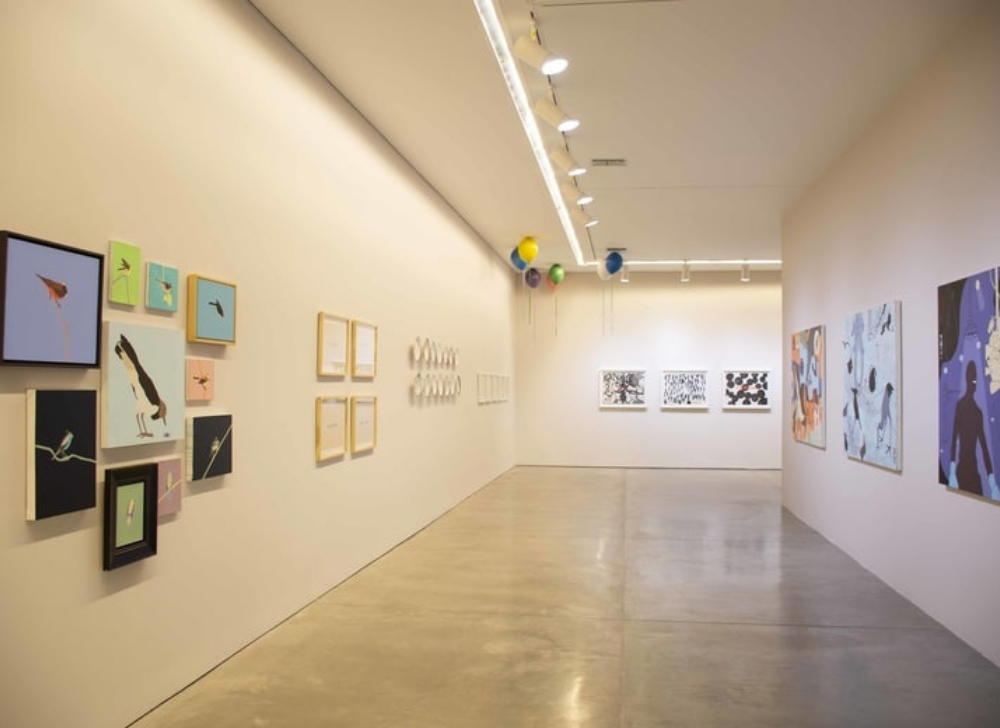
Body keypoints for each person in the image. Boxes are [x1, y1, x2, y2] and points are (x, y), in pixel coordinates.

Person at [948, 360, 1000, 499]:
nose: (974, 384)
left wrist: (992, 483)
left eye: (975, 380)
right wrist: (952, 472)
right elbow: (953, 440)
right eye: (972, 380)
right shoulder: (962, 407)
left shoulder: (977, 412)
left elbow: (984, 448)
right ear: (967, 379)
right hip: (962, 471)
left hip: (973, 471)